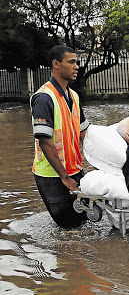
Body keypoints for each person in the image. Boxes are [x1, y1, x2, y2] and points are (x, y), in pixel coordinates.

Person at [31, 45, 90, 228]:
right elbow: (45, 141)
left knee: (83, 223)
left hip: (74, 170)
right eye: (71, 62)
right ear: (56, 64)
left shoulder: (73, 96)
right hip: (53, 176)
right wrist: (64, 178)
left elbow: (84, 134)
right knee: (68, 228)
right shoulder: (44, 98)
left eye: (76, 62)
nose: (77, 66)